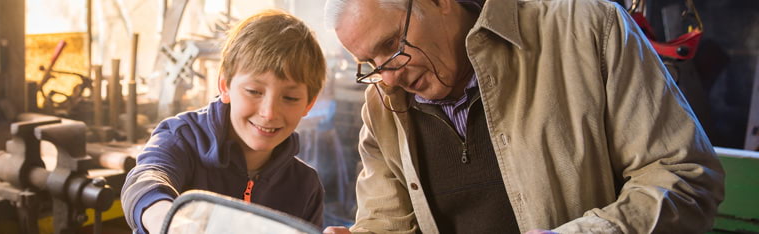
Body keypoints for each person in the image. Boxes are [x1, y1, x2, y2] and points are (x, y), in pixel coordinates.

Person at [323, 0, 724, 233]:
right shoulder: (382, 106)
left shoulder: (587, 29)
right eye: (368, 63)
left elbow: (684, 177)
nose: (388, 76)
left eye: (392, 45)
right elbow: (387, 222)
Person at [122, 10, 328, 234]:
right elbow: (145, 179)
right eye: (253, 91)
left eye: (290, 98)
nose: (269, 113)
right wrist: (169, 222)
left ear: (309, 103)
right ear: (225, 86)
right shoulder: (180, 138)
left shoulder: (305, 186)